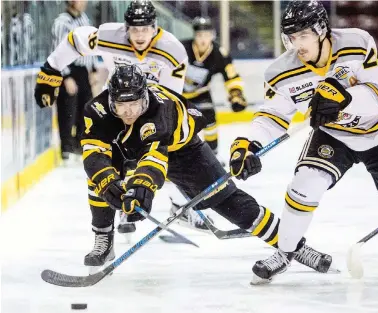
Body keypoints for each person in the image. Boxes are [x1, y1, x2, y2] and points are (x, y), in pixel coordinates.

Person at [229, 0, 378, 284]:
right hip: (335, 134)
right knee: (305, 183)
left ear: (321, 29)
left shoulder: (357, 43)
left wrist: (343, 98)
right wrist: (247, 143)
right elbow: (271, 115)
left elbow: (377, 95)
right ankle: (286, 251)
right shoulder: (280, 72)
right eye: (291, 37)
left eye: (303, 35)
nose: (297, 44)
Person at [79, 64, 332, 273]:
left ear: (144, 96)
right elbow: (93, 154)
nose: (129, 112)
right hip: (126, 148)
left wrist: (140, 190)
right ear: (110, 100)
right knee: (100, 180)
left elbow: (154, 159)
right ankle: (103, 238)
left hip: (182, 150)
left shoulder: (161, 112)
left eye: (134, 104)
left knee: (230, 202)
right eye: (121, 106)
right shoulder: (96, 110)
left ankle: (293, 246)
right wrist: (108, 184)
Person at [34, 0, 210, 236]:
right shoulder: (110, 35)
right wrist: (51, 69)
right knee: (111, 158)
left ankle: (181, 203)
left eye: (145, 28)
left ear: (155, 26)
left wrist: (162, 125)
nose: (139, 35)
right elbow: (75, 40)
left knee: (170, 152)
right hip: (116, 108)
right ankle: (113, 220)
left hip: (152, 107)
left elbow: (170, 96)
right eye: (134, 29)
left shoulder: (173, 49)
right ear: (126, 27)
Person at [181, 16, 248, 164]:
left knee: (210, 121)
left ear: (212, 35)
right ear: (194, 36)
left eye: (206, 35)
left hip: (201, 93)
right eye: (199, 35)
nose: (203, 39)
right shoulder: (181, 48)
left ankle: (212, 155)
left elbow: (231, 76)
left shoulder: (219, 53)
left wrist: (236, 95)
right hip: (178, 94)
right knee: (174, 124)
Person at [51, 0, 98, 162]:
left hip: (83, 70)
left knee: (85, 110)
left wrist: (92, 70)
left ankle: (79, 145)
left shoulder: (85, 20)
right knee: (67, 110)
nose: (83, 2)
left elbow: (91, 46)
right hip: (69, 70)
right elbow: (58, 51)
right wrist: (66, 76)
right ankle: (67, 149)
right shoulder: (61, 22)